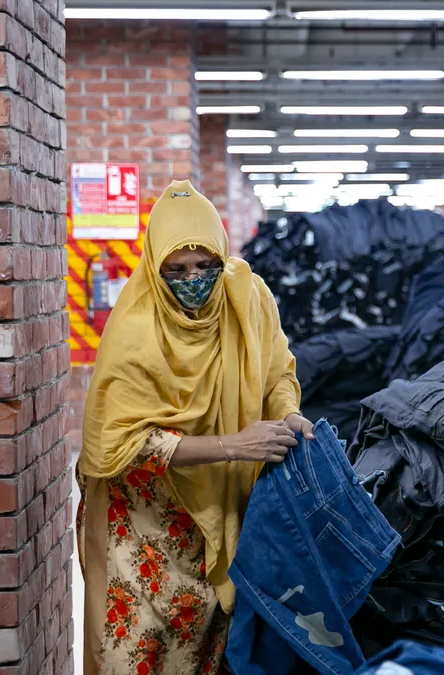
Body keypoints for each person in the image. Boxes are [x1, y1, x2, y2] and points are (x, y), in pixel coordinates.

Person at [77, 180, 314, 675]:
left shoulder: (246, 300)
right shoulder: (137, 327)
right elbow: (116, 443)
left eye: (206, 265)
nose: (194, 279)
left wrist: (288, 412)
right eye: (177, 270)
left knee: (209, 647)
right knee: (136, 653)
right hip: (144, 523)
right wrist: (232, 445)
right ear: (155, 267)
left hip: (216, 513)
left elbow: (277, 374)